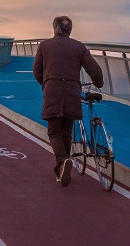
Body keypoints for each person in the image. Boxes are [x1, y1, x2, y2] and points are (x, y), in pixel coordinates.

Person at [33, 15, 104, 187]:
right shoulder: (79, 47)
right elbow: (95, 70)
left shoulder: (44, 46)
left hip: (53, 92)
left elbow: (37, 71)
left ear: (54, 29)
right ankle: (62, 168)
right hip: (72, 92)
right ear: (70, 30)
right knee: (66, 130)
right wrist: (98, 83)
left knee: (54, 131)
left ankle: (64, 160)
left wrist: (47, 83)